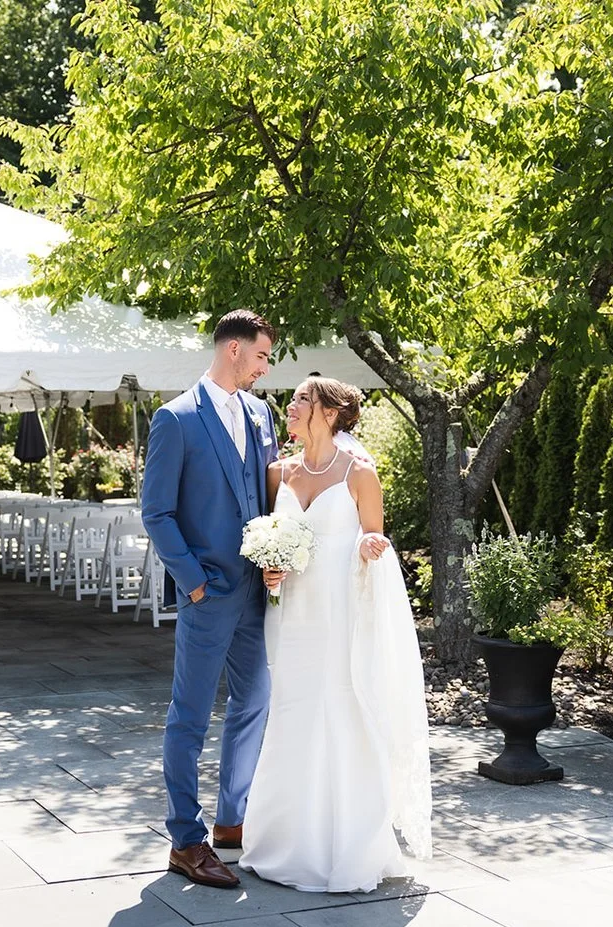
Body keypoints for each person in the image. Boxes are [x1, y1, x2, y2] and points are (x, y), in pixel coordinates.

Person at [240, 376, 432, 892]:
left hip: (340, 613)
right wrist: (271, 568)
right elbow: (276, 537)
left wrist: (369, 547)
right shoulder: (278, 472)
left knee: (340, 710)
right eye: (293, 398)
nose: (291, 405)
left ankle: (347, 845)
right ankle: (284, 840)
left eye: (302, 399)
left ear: (329, 412)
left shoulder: (359, 472)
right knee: (291, 711)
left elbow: (374, 537)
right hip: (292, 616)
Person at [140, 309, 280, 889]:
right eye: (262, 356)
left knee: (256, 700)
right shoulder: (175, 419)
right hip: (208, 591)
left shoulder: (261, 414)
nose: (265, 368)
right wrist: (193, 581)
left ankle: (231, 819)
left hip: (256, 591)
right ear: (233, 349)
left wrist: (279, 551)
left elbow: (268, 493)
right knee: (190, 715)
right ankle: (185, 840)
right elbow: (156, 512)